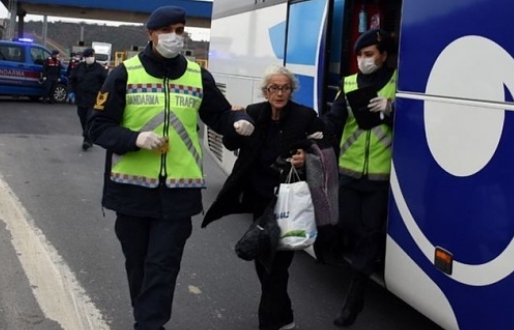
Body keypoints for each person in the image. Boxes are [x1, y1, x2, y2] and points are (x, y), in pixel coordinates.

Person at [86, 5, 255, 330]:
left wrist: (240, 121)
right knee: (138, 265)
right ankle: (147, 320)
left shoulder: (197, 75)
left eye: (180, 31)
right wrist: (134, 139)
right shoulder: (124, 73)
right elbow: (98, 126)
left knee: (163, 264)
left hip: (179, 192)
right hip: (131, 191)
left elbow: (219, 114)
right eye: (168, 31)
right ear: (151, 34)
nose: (175, 37)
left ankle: (149, 325)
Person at [202, 65, 325, 330]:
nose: (279, 93)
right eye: (274, 88)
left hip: (288, 202)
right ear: (265, 91)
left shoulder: (305, 116)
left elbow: (326, 146)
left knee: (277, 266)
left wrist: (309, 157)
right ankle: (285, 315)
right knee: (263, 261)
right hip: (259, 199)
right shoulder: (254, 112)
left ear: (291, 90)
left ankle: (268, 323)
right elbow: (230, 144)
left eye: (284, 88)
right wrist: (236, 127)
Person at [321, 28, 397, 327]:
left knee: (369, 236)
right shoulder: (350, 83)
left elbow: (421, 120)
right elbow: (335, 117)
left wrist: (392, 110)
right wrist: (319, 129)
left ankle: (354, 300)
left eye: (369, 55)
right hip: (349, 173)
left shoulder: (398, 83)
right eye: (360, 56)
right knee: (346, 227)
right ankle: (354, 275)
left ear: (383, 55)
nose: (363, 60)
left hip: (380, 177)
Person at [68, 48, 108, 150]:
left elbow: (106, 83)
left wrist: (104, 96)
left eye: (92, 56)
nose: (90, 58)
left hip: (93, 99)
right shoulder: (79, 68)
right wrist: (71, 91)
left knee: (89, 119)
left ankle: (87, 139)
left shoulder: (99, 69)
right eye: (88, 56)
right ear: (85, 58)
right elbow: (71, 79)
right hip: (80, 98)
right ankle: (87, 137)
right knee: (82, 118)